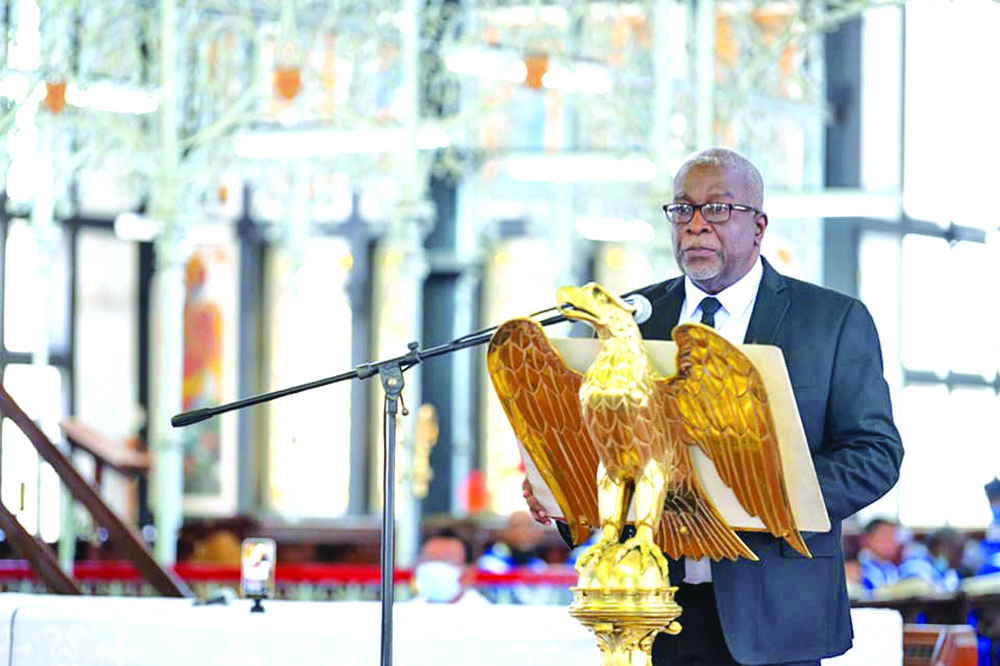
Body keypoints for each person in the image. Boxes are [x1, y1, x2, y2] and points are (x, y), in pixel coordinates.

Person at [523, 147, 904, 665]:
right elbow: (605, 441)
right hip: (654, 608)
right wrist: (562, 488)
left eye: (718, 209)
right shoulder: (631, 317)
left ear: (759, 225)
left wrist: (765, 497)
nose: (696, 225)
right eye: (682, 210)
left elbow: (875, 454)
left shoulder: (831, 321)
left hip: (777, 613)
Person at [411, 528, 491, 605]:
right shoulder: (406, 612)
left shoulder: (487, 615)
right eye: (429, 559)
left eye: (446, 560)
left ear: (469, 573)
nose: (436, 567)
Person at [857, 518, 901, 593]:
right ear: (866, 540)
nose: (891, 542)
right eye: (885, 537)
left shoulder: (889, 567)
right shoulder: (858, 570)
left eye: (893, 537)